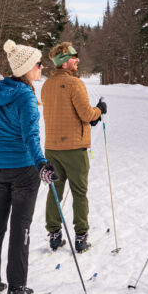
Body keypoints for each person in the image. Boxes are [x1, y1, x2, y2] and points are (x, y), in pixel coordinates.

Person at [0, 39, 58, 294]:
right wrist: (41, 164)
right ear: (27, 68)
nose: (41, 67)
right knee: (20, 226)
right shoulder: (27, 98)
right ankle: (16, 286)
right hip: (22, 171)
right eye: (38, 64)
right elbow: (30, 137)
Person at [40, 42, 105, 253]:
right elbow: (86, 114)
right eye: (74, 57)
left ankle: (54, 234)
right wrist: (99, 110)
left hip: (52, 147)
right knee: (79, 192)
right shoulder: (75, 84)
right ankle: (81, 236)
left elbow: (65, 112)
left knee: (55, 191)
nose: (77, 60)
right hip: (75, 149)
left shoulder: (47, 85)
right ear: (65, 62)